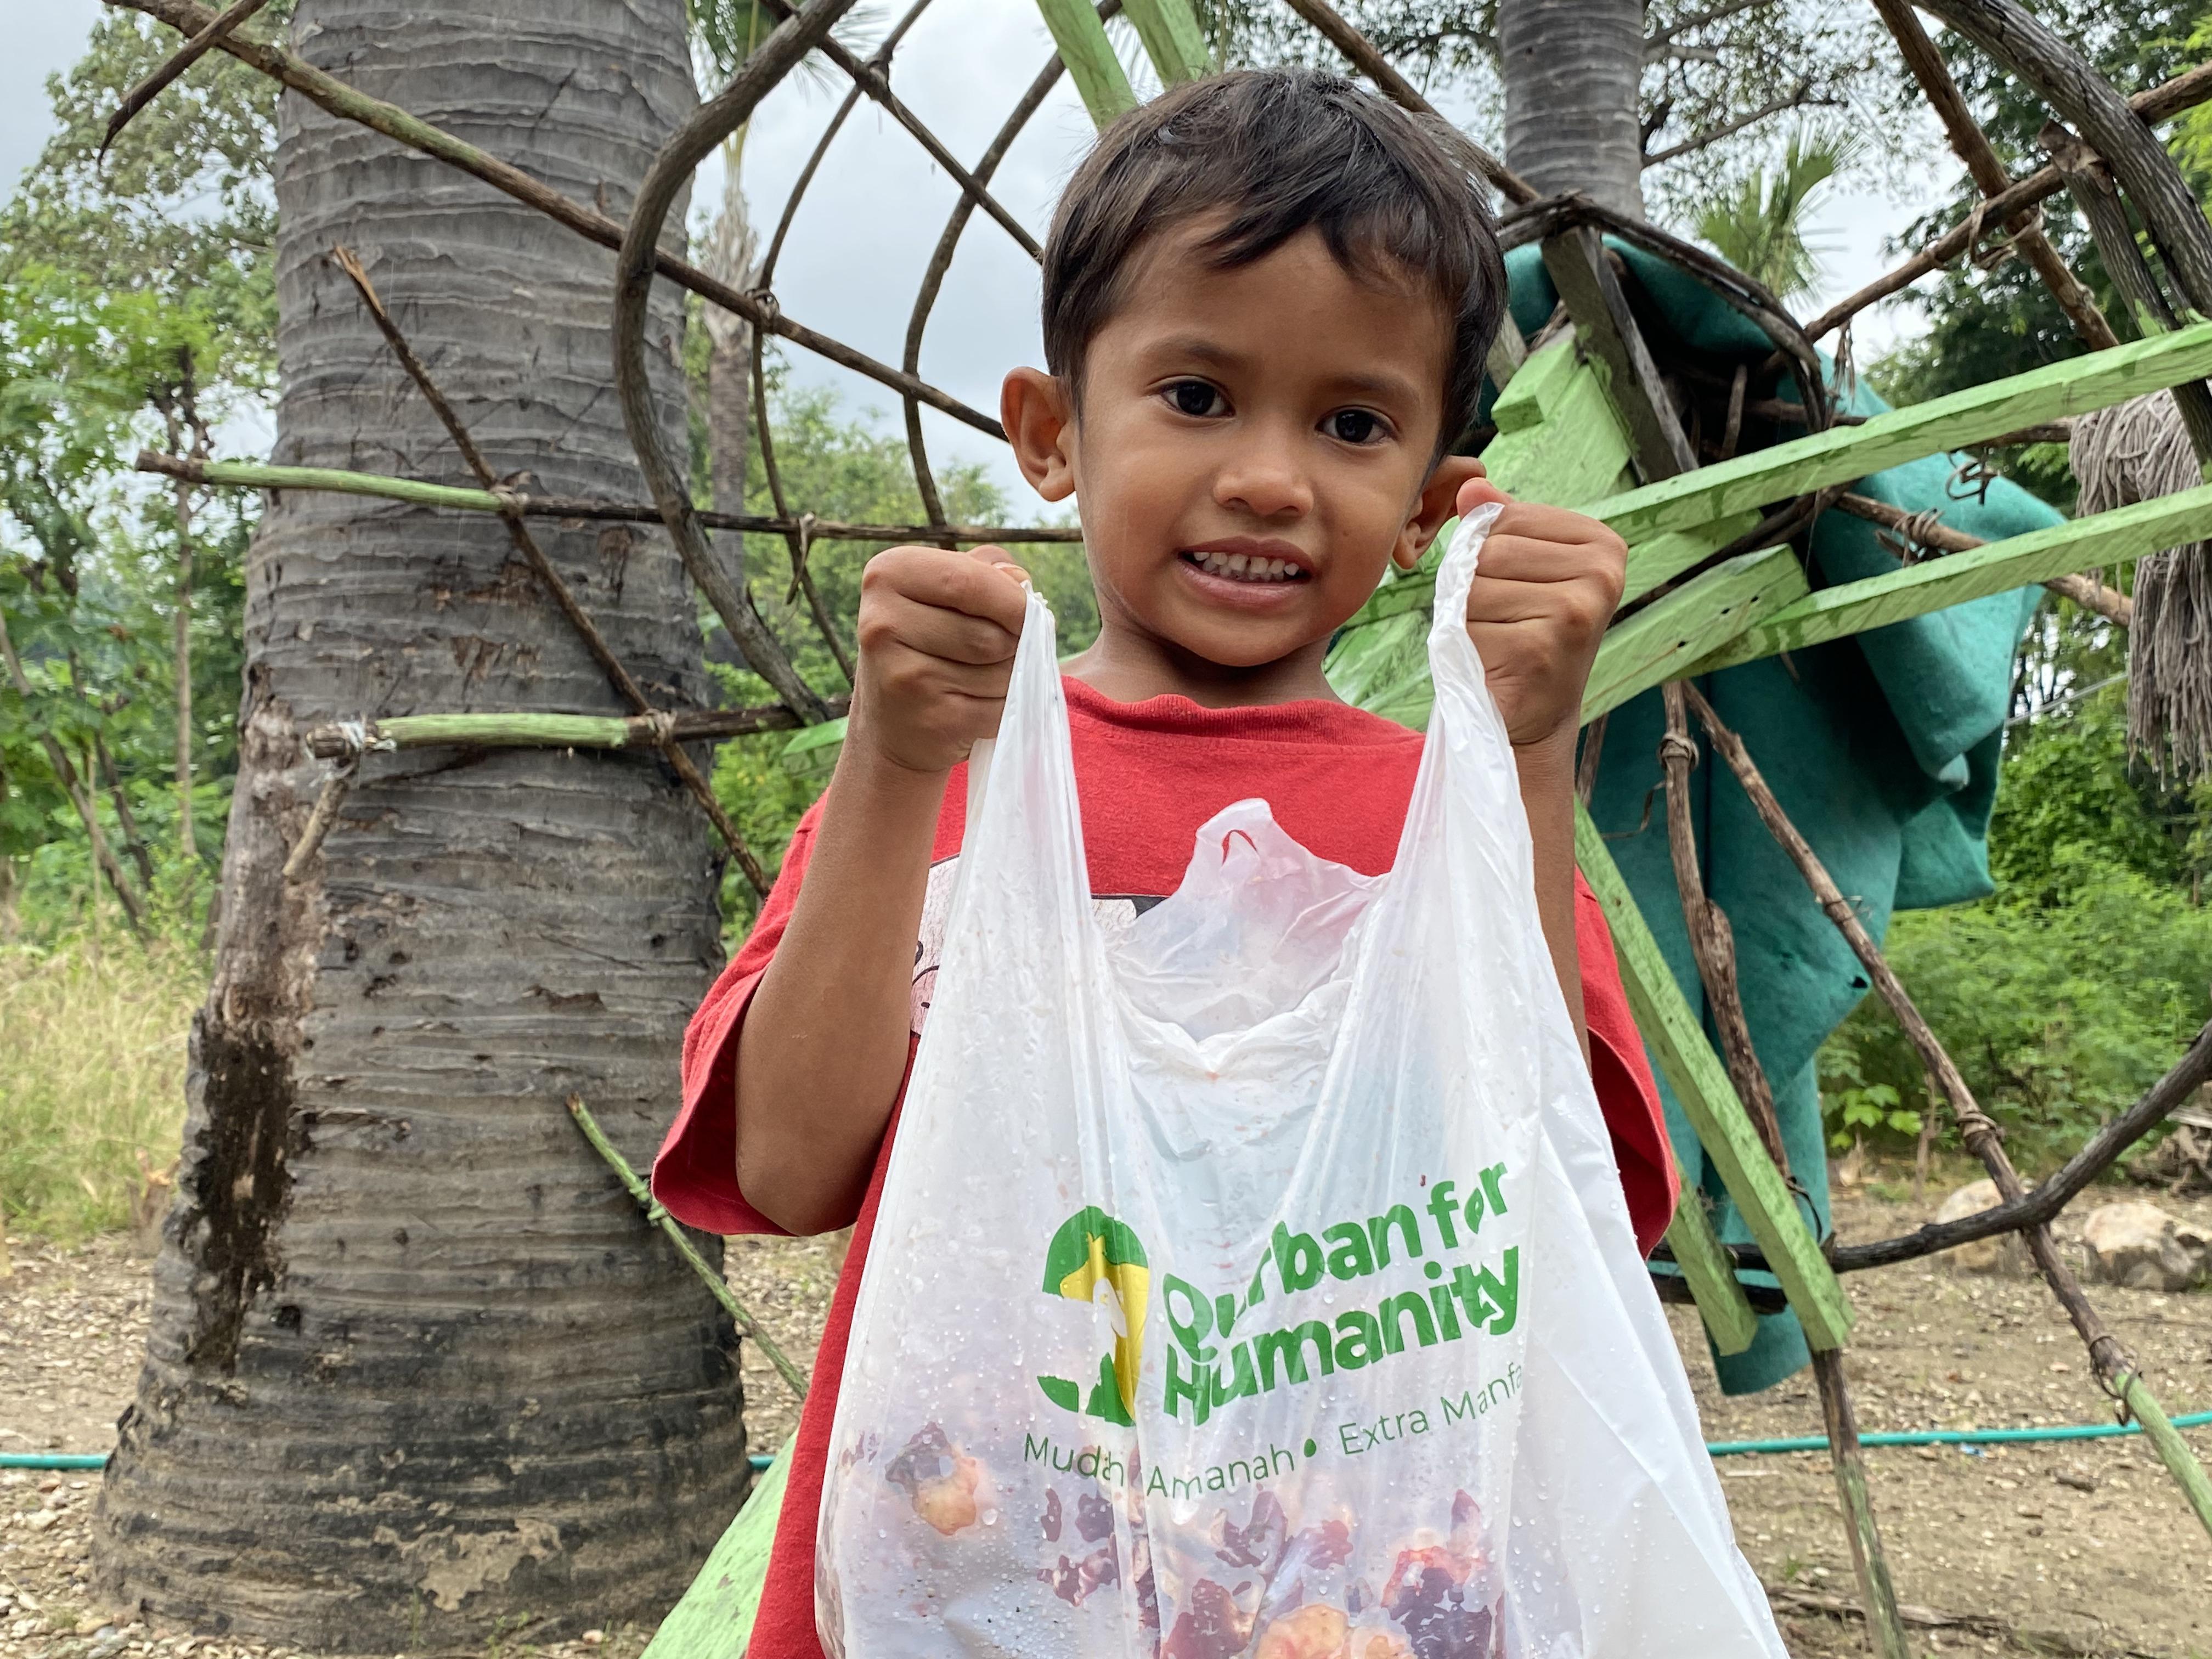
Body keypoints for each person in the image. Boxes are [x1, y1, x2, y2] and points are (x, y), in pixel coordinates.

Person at [653, 66, 1677, 1657]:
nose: (1270, 474)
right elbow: (788, 1169)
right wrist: (894, 760)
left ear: (1428, 504)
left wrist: (1529, 753)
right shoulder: (948, 795)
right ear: (1053, 434)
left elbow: (1557, 1207)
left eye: (1353, 423)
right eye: (1198, 396)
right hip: (978, 1570)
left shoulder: (1444, 832)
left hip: (1342, 1583)